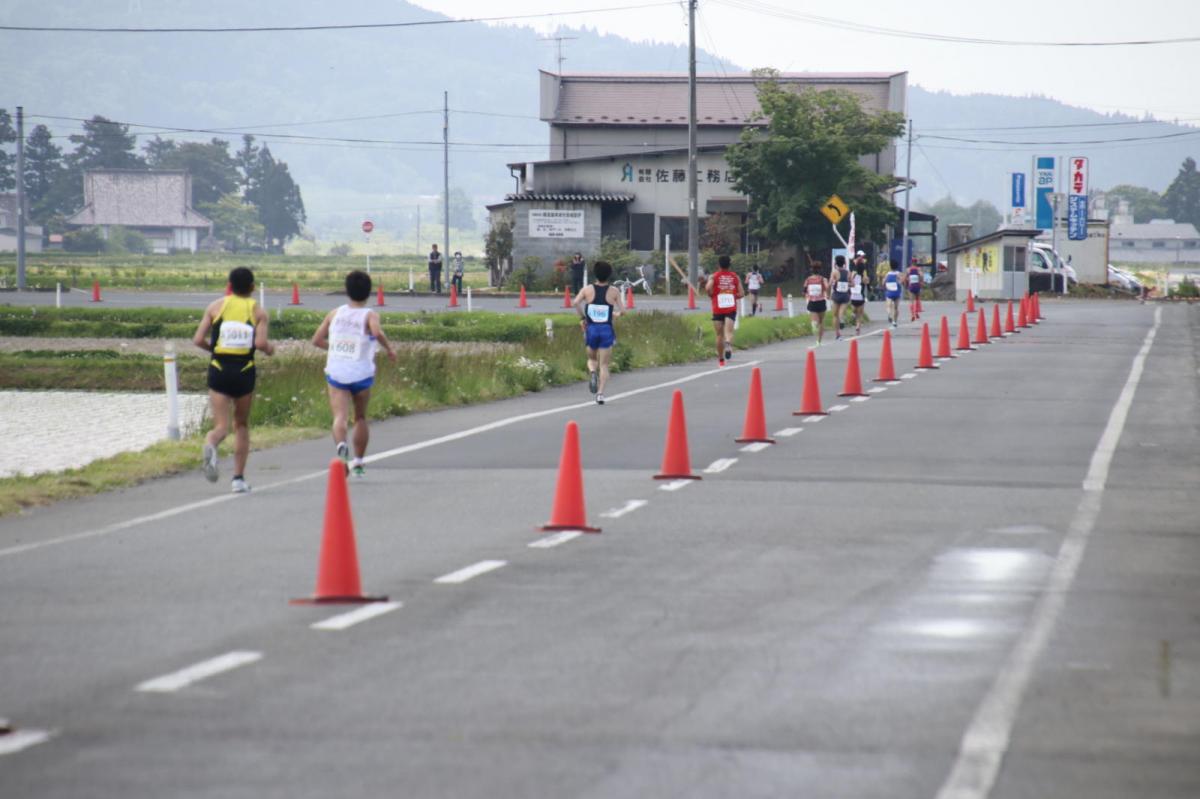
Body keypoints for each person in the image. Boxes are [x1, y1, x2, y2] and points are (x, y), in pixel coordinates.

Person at [192, 266, 275, 493]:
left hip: (219, 368)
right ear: (252, 287)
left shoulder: (216, 306)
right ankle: (238, 479)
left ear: (229, 285)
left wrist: (214, 350)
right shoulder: (257, 311)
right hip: (244, 370)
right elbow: (260, 344)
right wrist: (270, 349)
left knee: (220, 427)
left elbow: (198, 339)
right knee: (241, 425)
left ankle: (210, 445)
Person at [312, 270, 398, 477]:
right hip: (361, 372)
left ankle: (341, 447)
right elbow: (377, 333)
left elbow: (316, 340)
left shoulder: (335, 313)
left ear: (347, 291)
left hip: (337, 371)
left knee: (339, 417)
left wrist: (334, 348)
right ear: (368, 292)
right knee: (360, 417)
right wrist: (388, 348)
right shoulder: (369, 315)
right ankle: (358, 462)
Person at [574, 260, 624, 405]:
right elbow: (623, 311)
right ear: (609, 275)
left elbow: (575, 302)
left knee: (592, 359)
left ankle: (592, 373)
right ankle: (600, 394)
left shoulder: (587, 289)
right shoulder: (614, 291)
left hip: (591, 329)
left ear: (595, 274)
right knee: (604, 365)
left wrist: (583, 317)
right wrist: (616, 315)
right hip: (606, 329)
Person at [705, 254, 743, 367]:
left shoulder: (714, 276)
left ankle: (721, 360)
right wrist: (733, 295)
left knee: (718, 335)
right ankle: (728, 344)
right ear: (729, 265)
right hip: (730, 307)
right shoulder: (735, 277)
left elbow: (707, 288)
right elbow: (742, 293)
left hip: (717, 308)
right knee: (729, 332)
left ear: (719, 265)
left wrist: (710, 294)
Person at [803, 262, 830, 346]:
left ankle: (814, 325)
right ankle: (819, 341)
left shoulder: (808, 279)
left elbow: (804, 290)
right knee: (821, 322)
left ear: (811, 270)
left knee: (815, 320)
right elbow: (827, 287)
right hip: (821, 301)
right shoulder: (823, 279)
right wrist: (827, 294)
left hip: (812, 302)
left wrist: (807, 294)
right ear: (820, 270)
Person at [829, 254, 851, 341]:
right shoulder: (848, 272)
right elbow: (852, 284)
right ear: (844, 263)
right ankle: (841, 319)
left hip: (836, 295)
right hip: (845, 295)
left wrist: (827, 293)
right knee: (841, 311)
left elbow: (830, 283)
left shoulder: (834, 272)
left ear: (835, 263)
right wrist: (846, 284)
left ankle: (837, 334)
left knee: (835, 315)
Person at [883, 261, 903, 328]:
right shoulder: (898, 273)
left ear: (890, 266)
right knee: (896, 308)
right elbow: (901, 282)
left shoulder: (887, 274)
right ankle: (894, 322)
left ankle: (889, 314)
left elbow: (883, 282)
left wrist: (884, 287)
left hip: (889, 291)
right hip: (896, 292)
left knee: (888, 305)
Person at [849, 270, 867, 335]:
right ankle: (857, 327)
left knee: (854, 311)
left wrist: (852, 275)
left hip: (853, 297)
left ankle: (853, 314)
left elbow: (849, 282)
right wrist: (864, 275)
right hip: (860, 298)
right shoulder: (863, 277)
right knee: (859, 315)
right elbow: (866, 282)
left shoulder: (852, 275)